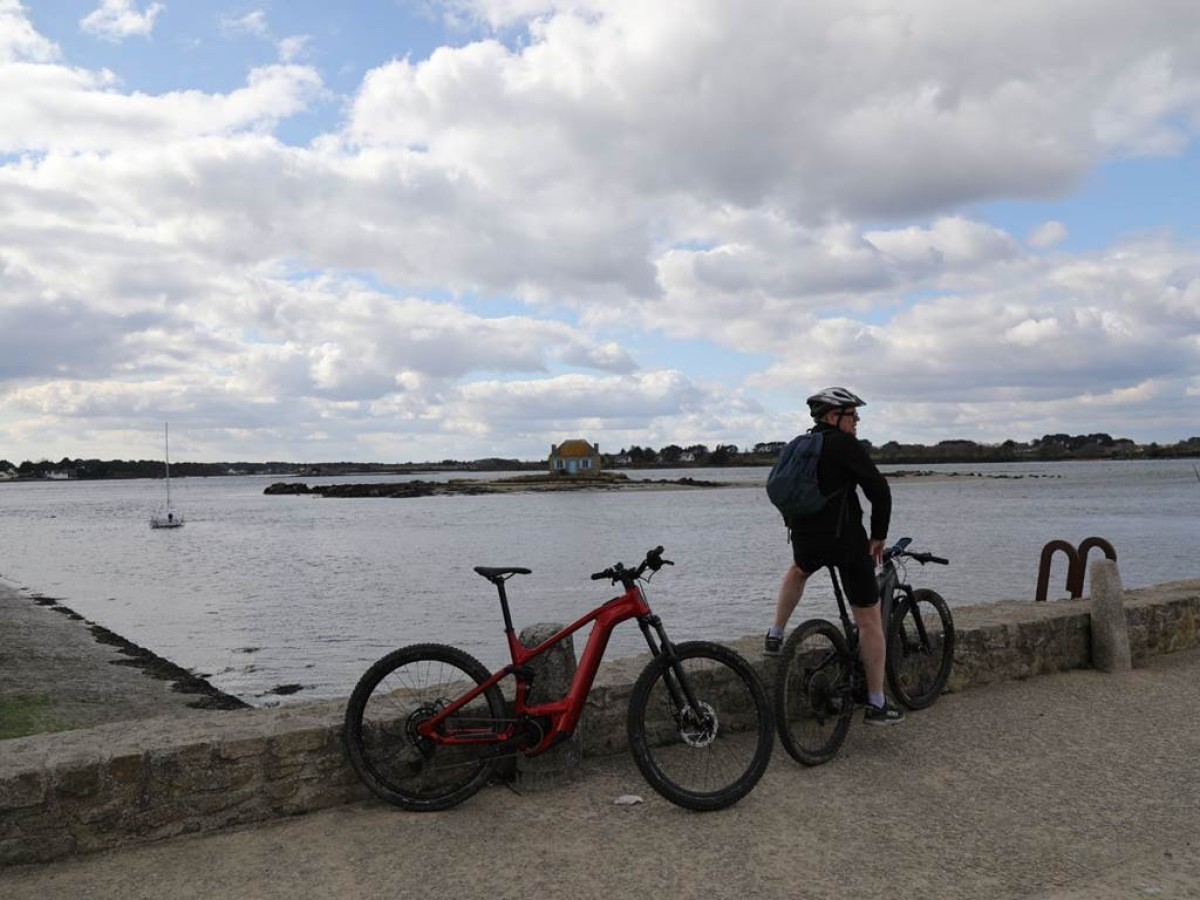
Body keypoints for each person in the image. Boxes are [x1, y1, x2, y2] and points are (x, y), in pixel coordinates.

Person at [763, 386, 903, 725]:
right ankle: (876, 703)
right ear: (832, 417)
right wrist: (879, 536)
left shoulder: (800, 445)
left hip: (806, 537)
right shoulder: (844, 445)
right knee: (869, 621)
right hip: (846, 541)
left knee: (798, 571)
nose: (857, 421)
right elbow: (879, 490)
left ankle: (776, 634)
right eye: (852, 414)